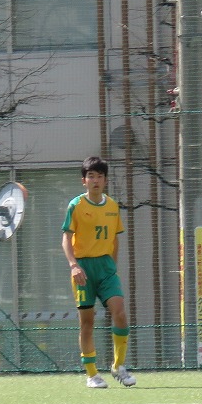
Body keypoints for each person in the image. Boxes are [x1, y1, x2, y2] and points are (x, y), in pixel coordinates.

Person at [61, 155, 135, 389]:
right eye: (90, 176)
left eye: (99, 176)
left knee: (119, 312)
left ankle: (118, 366)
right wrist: (73, 265)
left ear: (105, 180)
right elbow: (66, 238)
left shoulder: (112, 206)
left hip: (106, 268)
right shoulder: (76, 205)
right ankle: (92, 375)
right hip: (83, 268)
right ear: (83, 181)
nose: (95, 180)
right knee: (87, 322)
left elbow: (114, 239)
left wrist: (113, 266)